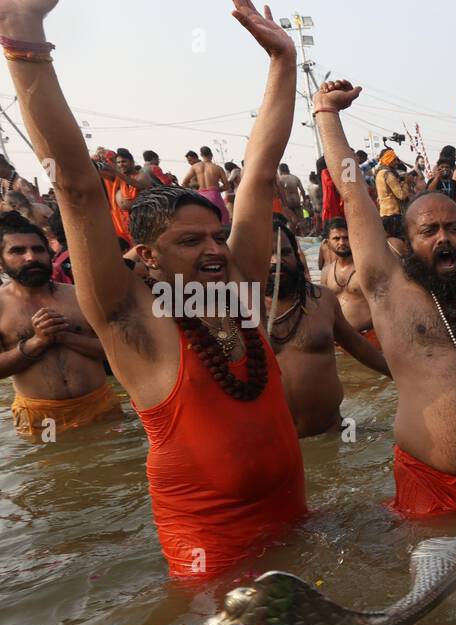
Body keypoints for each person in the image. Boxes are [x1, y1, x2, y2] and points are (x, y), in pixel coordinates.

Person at [2, 0, 307, 577]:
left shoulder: (233, 287)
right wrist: (23, 35)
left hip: (293, 519)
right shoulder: (129, 318)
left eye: (217, 236)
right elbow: (74, 186)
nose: (215, 250)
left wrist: (282, 61)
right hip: (210, 548)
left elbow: (261, 172)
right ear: (146, 255)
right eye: (191, 242)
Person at [317, 79, 456, 519]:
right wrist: (327, 113)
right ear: (406, 242)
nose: (443, 238)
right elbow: (352, 193)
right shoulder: (389, 288)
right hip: (431, 488)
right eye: (429, 231)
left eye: (453, 229)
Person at [262, 217, 389, 435]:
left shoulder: (322, 300)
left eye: (285, 252)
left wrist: (402, 376)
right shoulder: (239, 310)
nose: (276, 261)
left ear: (297, 256)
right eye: (266, 255)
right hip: (278, 446)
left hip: (333, 436)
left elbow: (358, 346)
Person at [0, 211, 117, 436]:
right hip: (41, 417)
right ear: (1, 262)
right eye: (17, 251)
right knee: (54, 470)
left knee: (117, 466)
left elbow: (117, 351)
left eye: (38, 249)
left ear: (49, 253)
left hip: (100, 405)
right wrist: (36, 342)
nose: (31, 257)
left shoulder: (81, 296)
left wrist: (65, 337)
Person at [181, 145, 232, 225]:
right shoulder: (218, 168)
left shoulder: (195, 167)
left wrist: (196, 192)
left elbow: (184, 183)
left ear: (201, 155)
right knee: (223, 220)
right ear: (211, 155)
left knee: (204, 222)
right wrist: (218, 189)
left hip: (201, 197)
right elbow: (227, 186)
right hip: (214, 195)